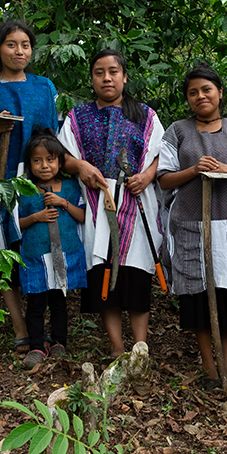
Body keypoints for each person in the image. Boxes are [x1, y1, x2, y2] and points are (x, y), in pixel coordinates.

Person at [59, 49, 165, 358]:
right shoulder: (77, 117)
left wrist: (147, 176)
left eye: (113, 72)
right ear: (92, 79)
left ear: (124, 77)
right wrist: (81, 166)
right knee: (104, 271)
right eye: (99, 72)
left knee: (136, 273)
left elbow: (163, 154)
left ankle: (140, 346)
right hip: (96, 203)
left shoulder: (145, 115)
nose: (107, 78)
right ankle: (116, 345)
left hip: (136, 201)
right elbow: (61, 155)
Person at [0, 20, 59, 353]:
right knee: (1, 247)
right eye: (11, 44)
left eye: (25, 45)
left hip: (34, 179)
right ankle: (19, 325)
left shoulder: (44, 87)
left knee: (36, 246)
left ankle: (44, 324)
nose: (19, 51)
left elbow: (54, 133)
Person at [157, 63, 227, 389]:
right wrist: (194, 170)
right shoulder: (178, 131)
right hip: (189, 226)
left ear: (220, 92)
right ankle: (210, 369)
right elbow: (164, 179)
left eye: (207, 89)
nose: (200, 96)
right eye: (193, 92)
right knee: (197, 298)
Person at [17, 128, 87, 369]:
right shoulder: (24, 189)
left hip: (64, 254)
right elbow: (14, 225)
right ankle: (36, 346)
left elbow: (83, 216)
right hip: (35, 255)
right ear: (29, 163)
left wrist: (62, 203)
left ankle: (59, 342)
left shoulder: (71, 187)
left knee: (59, 302)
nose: (44, 166)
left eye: (50, 159)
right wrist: (35, 217)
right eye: (37, 160)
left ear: (60, 162)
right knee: (36, 303)